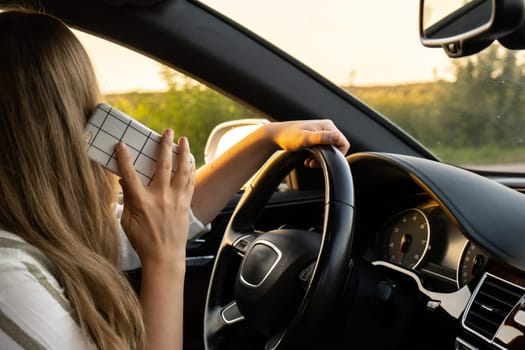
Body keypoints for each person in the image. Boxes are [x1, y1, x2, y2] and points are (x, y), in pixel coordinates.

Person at [0, 7, 350, 350]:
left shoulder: (38, 232)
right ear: (65, 131)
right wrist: (164, 260)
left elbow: (149, 226)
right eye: (88, 109)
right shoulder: (8, 275)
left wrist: (264, 139)